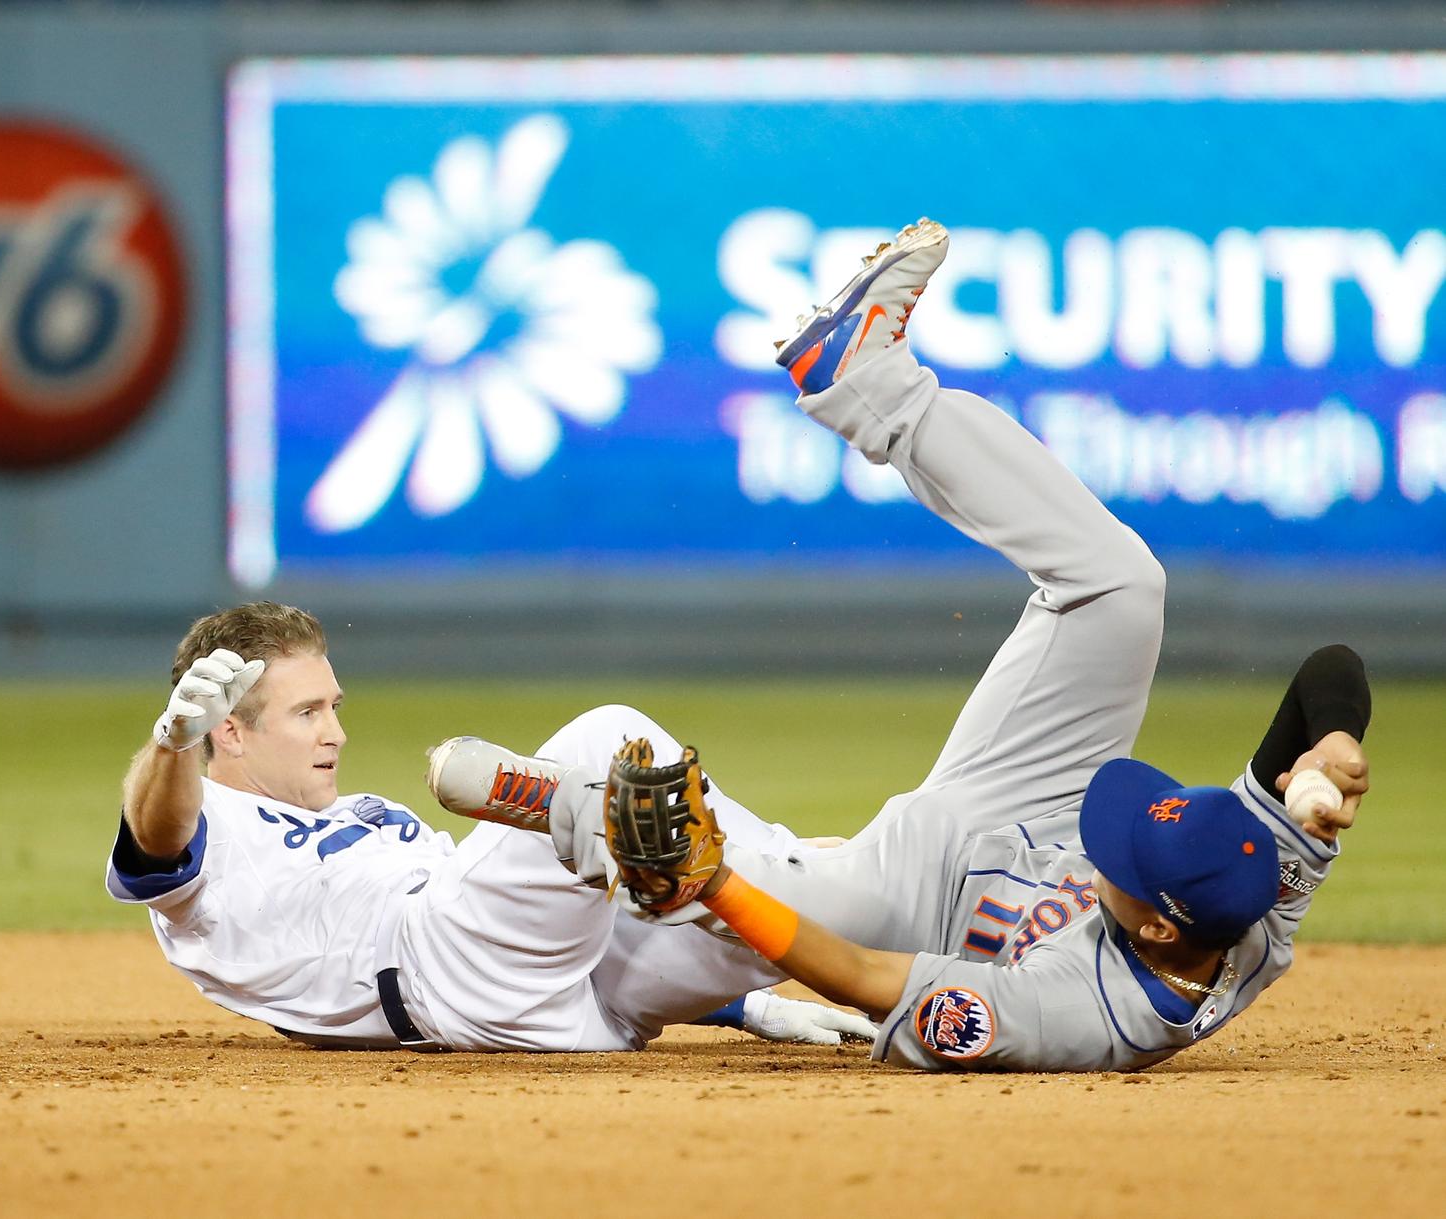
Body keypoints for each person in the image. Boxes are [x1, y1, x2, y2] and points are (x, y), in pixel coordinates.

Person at [424, 218, 1372, 1071]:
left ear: (1164, 924)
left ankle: (567, 807)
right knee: (1124, 589)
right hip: (1019, 805)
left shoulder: (1075, 1018)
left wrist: (716, 884)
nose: (1111, 842)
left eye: (1124, 857)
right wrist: (1333, 739)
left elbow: (865, 976)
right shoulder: (1259, 880)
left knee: (771, 886)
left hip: (918, 907)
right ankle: (869, 382)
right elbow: (1331, 674)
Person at [105, 602, 876, 1051]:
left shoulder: (361, 811)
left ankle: (927, 941)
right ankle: (753, 858)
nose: (334, 732)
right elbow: (155, 843)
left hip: (570, 1002)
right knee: (604, 738)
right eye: (307, 712)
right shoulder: (210, 824)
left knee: (833, 898)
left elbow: (529, 925)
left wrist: (742, 1008)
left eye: (334, 706)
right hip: (437, 966)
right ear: (229, 732)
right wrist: (173, 744)